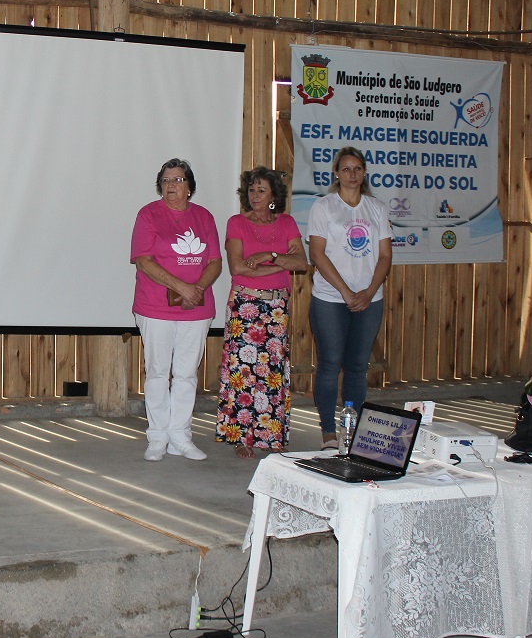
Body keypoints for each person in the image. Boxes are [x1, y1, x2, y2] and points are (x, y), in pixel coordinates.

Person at [129, 158, 222, 462]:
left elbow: (214, 262)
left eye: (178, 180)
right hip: (155, 307)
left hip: (196, 308)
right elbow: (144, 261)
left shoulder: (204, 217)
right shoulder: (148, 215)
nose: (171, 186)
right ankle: (157, 437)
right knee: (157, 372)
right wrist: (183, 287)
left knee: (186, 375)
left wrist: (196, 291)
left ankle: (180, 437)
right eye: (166, 180)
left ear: (190, 187)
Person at [215, 167, 307, 459]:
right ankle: (243, 436)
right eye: (251, 190)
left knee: (272, 373)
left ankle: (272, 435)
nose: (255, 195)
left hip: (277, 307)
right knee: (244, 371)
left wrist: (269, 256)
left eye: (261, 190)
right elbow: (238, 268)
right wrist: (283, 263)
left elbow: (302, 263)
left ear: (273, 196)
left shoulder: (288, 223)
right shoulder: (237, 223)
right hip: (245, 305)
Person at [307, 147, 393, 449]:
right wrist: (346, 292)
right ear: (336, 173)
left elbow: (385, 256)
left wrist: (368, 292)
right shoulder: (324, 207)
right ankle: (329, 432)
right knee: (330, 364)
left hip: (369, 299)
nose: (352, 174)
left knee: (357, 366)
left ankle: (352, 430)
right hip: (331, 298)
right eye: (346, 169)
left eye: (357, 169)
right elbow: (316, 254)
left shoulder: (377, 208)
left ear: (364, 173)